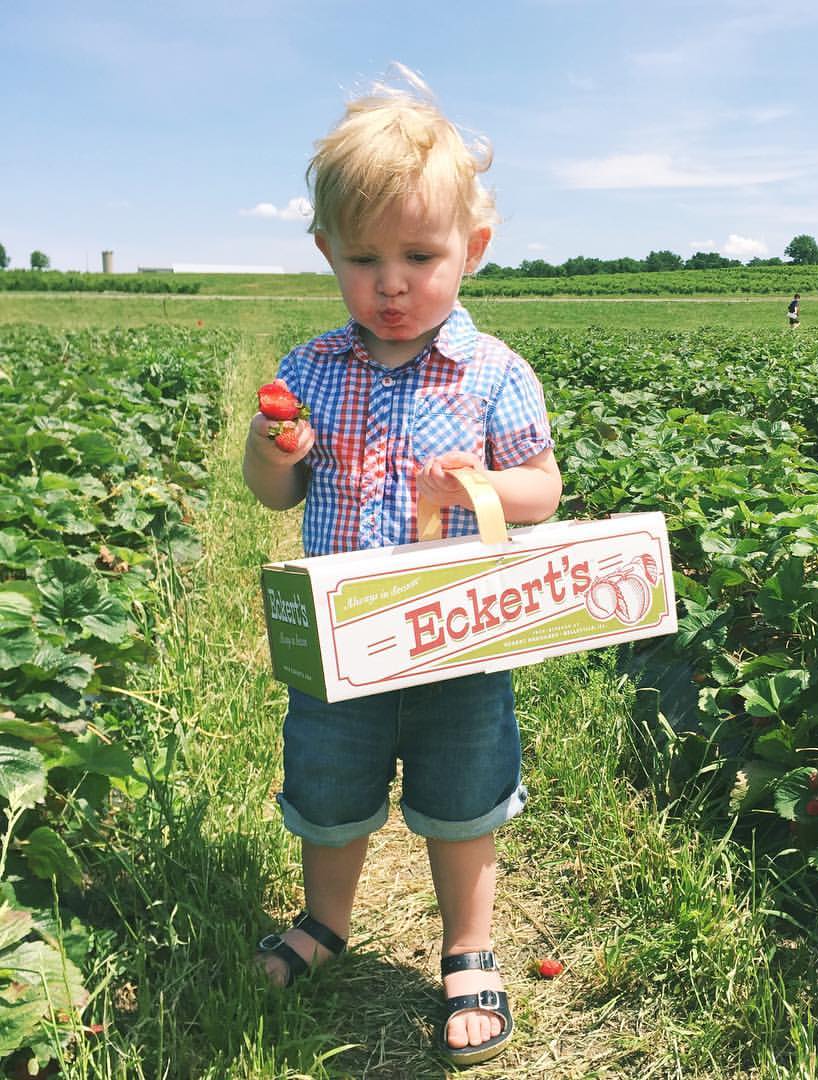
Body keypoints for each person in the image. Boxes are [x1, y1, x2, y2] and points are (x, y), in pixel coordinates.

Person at [242, 65, 562, 1067]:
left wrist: (481, 489)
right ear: (328, 251)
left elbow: (543, 490)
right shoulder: (309, 371)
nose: (391, 283)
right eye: (364, 257)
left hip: (458, 637)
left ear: (471, 250)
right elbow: (274, 495)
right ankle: (325, 919)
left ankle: (467, 946)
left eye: (419, 256)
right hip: (341, 642)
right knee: (329, 789)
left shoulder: (495, 373)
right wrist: (273, 450)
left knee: (463, 797)